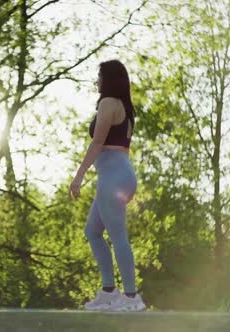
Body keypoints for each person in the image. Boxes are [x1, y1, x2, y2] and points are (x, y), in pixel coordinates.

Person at [70, 59, 146, 312]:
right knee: (92, 231)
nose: (97, 80)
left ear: (109, 79)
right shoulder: (124, 106)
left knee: (117, 236)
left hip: (113, 176)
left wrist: (79, 175)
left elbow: (98, 142)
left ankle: (132, 297)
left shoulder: (107, 103)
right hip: (119, 173)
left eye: (100, 76)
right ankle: (109, 291)